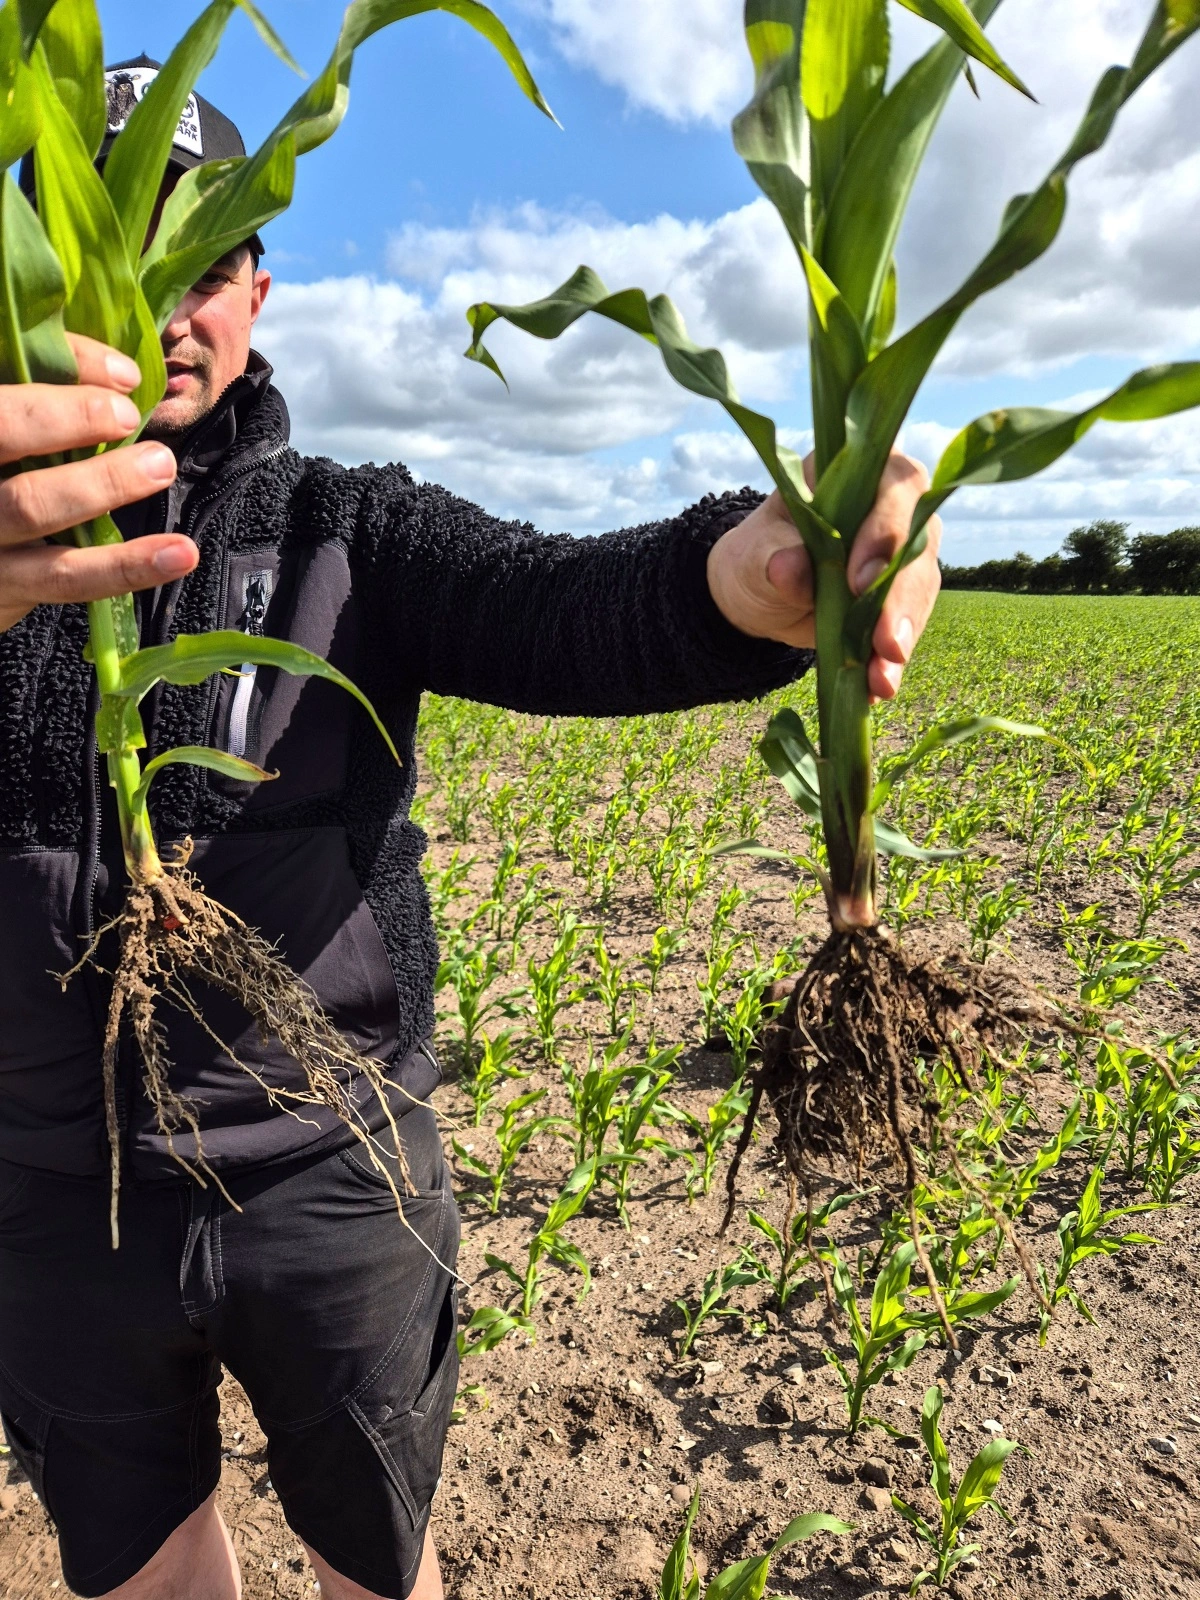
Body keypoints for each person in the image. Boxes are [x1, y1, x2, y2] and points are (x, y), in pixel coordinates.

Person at [0, 62, 942, 1600]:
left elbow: (566, 607)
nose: (152, 300)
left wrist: (751, 574)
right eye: (88, 245)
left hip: (330, 1170)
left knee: (386, 1565)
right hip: (49, 1189)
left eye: (201, 252)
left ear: (261, 285)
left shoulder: (346, 531)